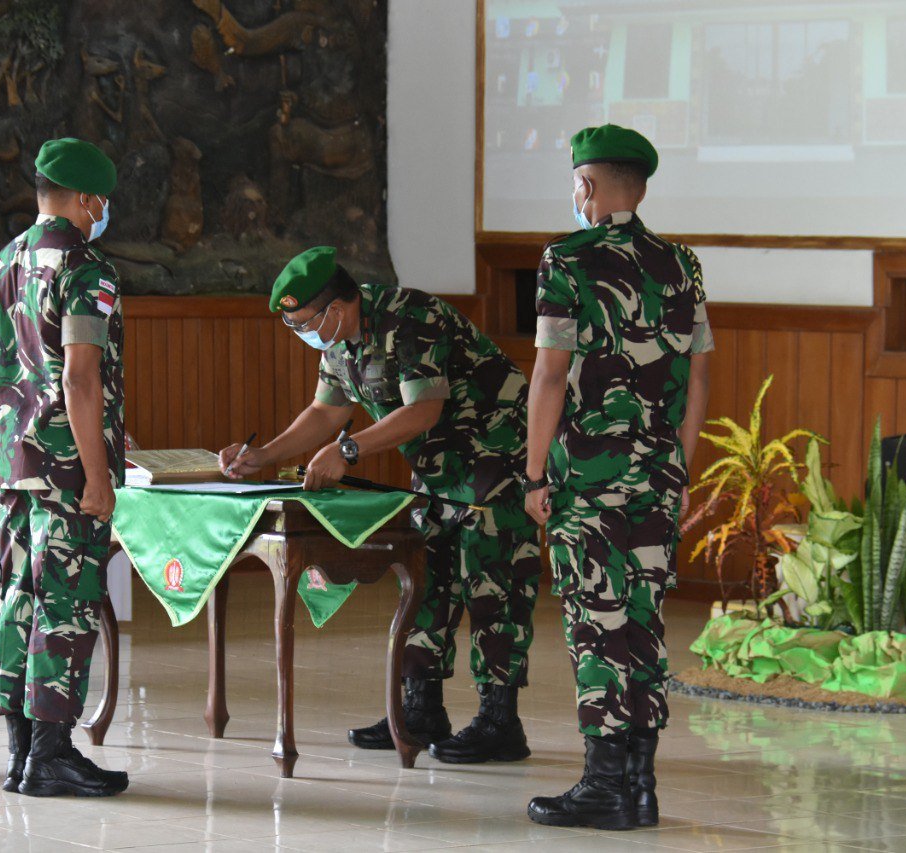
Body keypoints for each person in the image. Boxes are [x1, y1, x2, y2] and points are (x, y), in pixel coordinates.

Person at [220, 246, 540, 764]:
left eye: (304, 322)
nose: (301, 332)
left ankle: (500, 721)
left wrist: (349, 450)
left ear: (337, 309)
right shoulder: (340, 340)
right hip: (437, 473)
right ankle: (419, 711)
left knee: (493, 587)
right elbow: (326, 411)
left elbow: (423, 410)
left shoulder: (410, 318)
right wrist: (264, 455)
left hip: (496, 461)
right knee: (427, 581)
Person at [522, 124, 713, 830]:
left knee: (596, 620)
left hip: (588, 480)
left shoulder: (566, 259)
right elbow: (698, 377)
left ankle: (605, 786)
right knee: (643, 622)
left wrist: (534, 472)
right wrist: (680, 467)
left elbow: (547, 374)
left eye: (577, 185)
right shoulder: (682, 264)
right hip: (659, 475)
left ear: (587, 187)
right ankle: (641, 785)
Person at [0, 137, 128, 798]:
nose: (103, 212)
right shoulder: (87, 268)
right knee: (66, 603)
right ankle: (53, 753)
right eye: (103, 202)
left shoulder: (4, 262)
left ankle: (20, 750)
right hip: (66, 469)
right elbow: (80, 377)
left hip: (16, 466)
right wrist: (96, 473)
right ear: (87, 199)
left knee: (20, 600)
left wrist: (5, 439)